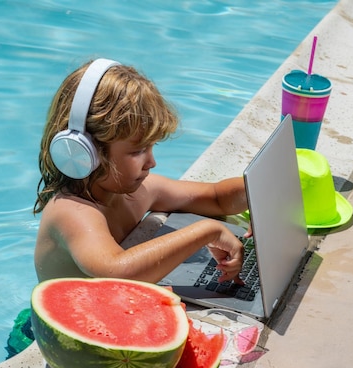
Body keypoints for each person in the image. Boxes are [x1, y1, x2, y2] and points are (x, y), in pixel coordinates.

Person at [33, 58, 251, 286]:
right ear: (86, 151)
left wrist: (259, 193)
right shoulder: (70, 211)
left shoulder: (136, 192)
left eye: (151, 147)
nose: (151, 162)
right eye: (138, 151)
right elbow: (118, 272)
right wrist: (208, 232)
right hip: (57, 321)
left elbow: (216, 198)